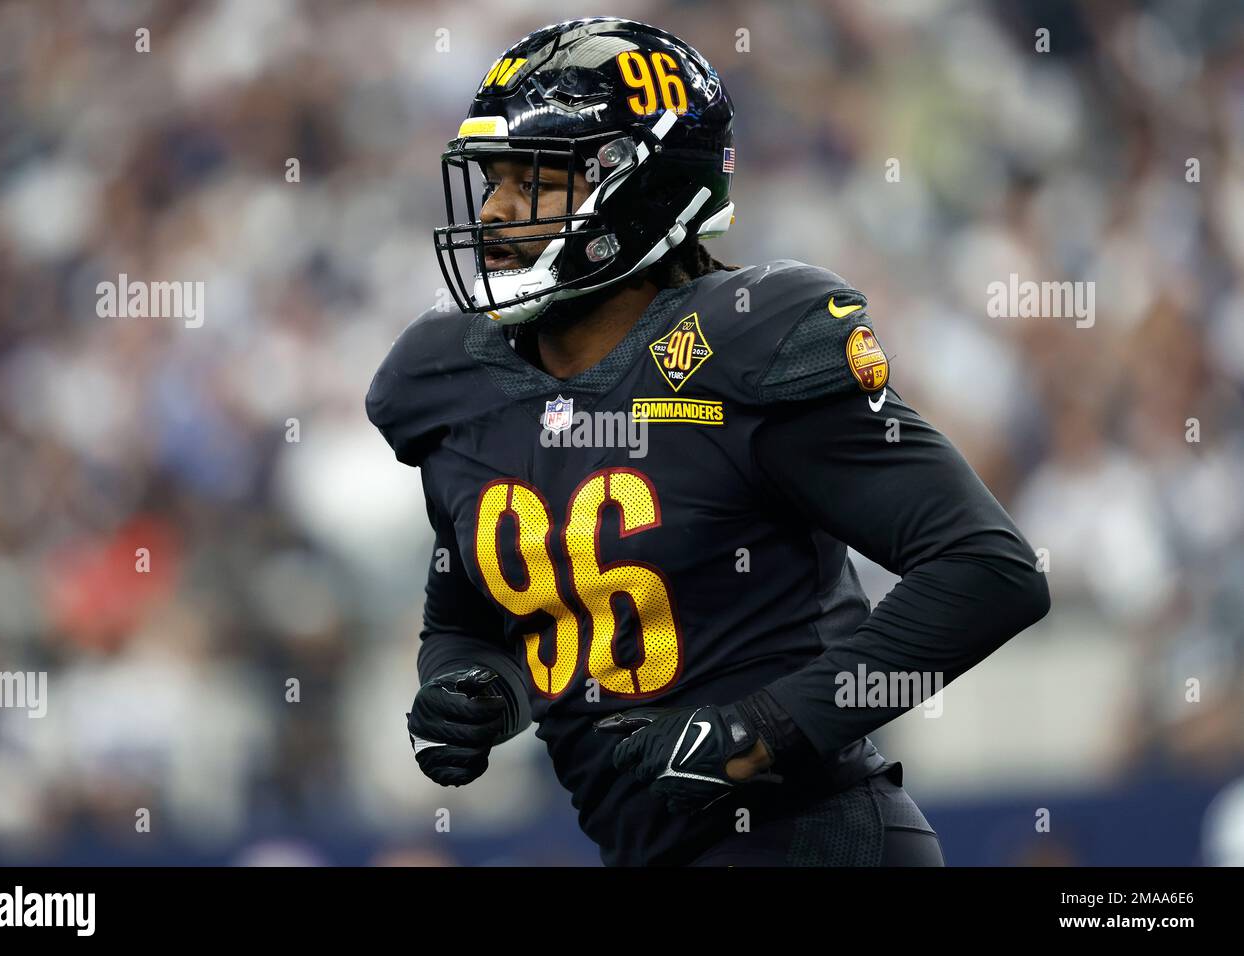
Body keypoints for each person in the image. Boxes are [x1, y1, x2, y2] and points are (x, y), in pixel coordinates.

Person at [367, 16, 1050, 866]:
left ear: (635, 186)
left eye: (532, 180)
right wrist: (472, 691)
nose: (497, 210)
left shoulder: (746, 344)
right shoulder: (454, 383)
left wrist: (764, 730)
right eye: (494, 179)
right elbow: (479, 620)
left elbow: (990, 574)